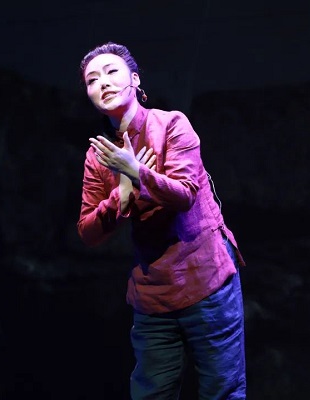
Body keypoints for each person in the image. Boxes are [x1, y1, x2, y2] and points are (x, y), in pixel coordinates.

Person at [76, 41, 247, 399]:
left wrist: (137, 173)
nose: (102, 82)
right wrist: (121, 195)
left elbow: (184, 194)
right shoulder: (99, 157)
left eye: (111, 72)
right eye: (92, 80)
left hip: (205, 278)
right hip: (154, 292)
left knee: (222, 391)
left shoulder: (171, 125)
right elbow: (88, 232)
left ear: (135, 79)